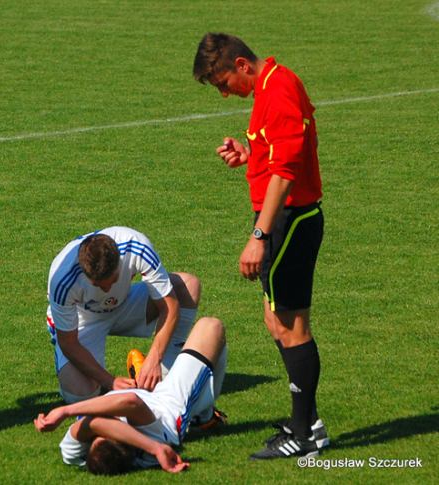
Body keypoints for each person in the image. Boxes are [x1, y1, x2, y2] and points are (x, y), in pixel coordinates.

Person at [192, 33, 328, 459]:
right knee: (275, 320)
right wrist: (251, 153)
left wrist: (259, 236)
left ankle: (306, 435)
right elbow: (281, 151)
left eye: (222, 82)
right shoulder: (270, 86)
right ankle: (306, 421)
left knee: (291, 325)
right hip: (282, 220)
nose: (222, 91)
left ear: (242, 65)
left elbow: (287, 172)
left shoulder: (280, 88)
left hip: (289, 221)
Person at [34, 317, 227, 475]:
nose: (104, 425)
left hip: (127, 396)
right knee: (211, 326)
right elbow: (127, 404)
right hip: (169, 400)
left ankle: (144, 380)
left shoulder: (76, 455)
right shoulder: (151, 446)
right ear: (129, 440)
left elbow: (95, 424)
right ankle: (203, 414)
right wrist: (65, 411)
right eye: (112, 430)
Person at [46, 226, 202, 404]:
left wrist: (153, 359)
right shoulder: (61, 278)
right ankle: (109, 386)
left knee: (188, 286)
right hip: (82, 319)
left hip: (125, 304)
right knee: (79, 394)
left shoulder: (137, 246)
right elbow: (69, 342)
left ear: (120, 262)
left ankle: (167, 374)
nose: (106, 289)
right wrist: (110, 381)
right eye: (98, 285)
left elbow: (170, 306)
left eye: (112, 281)